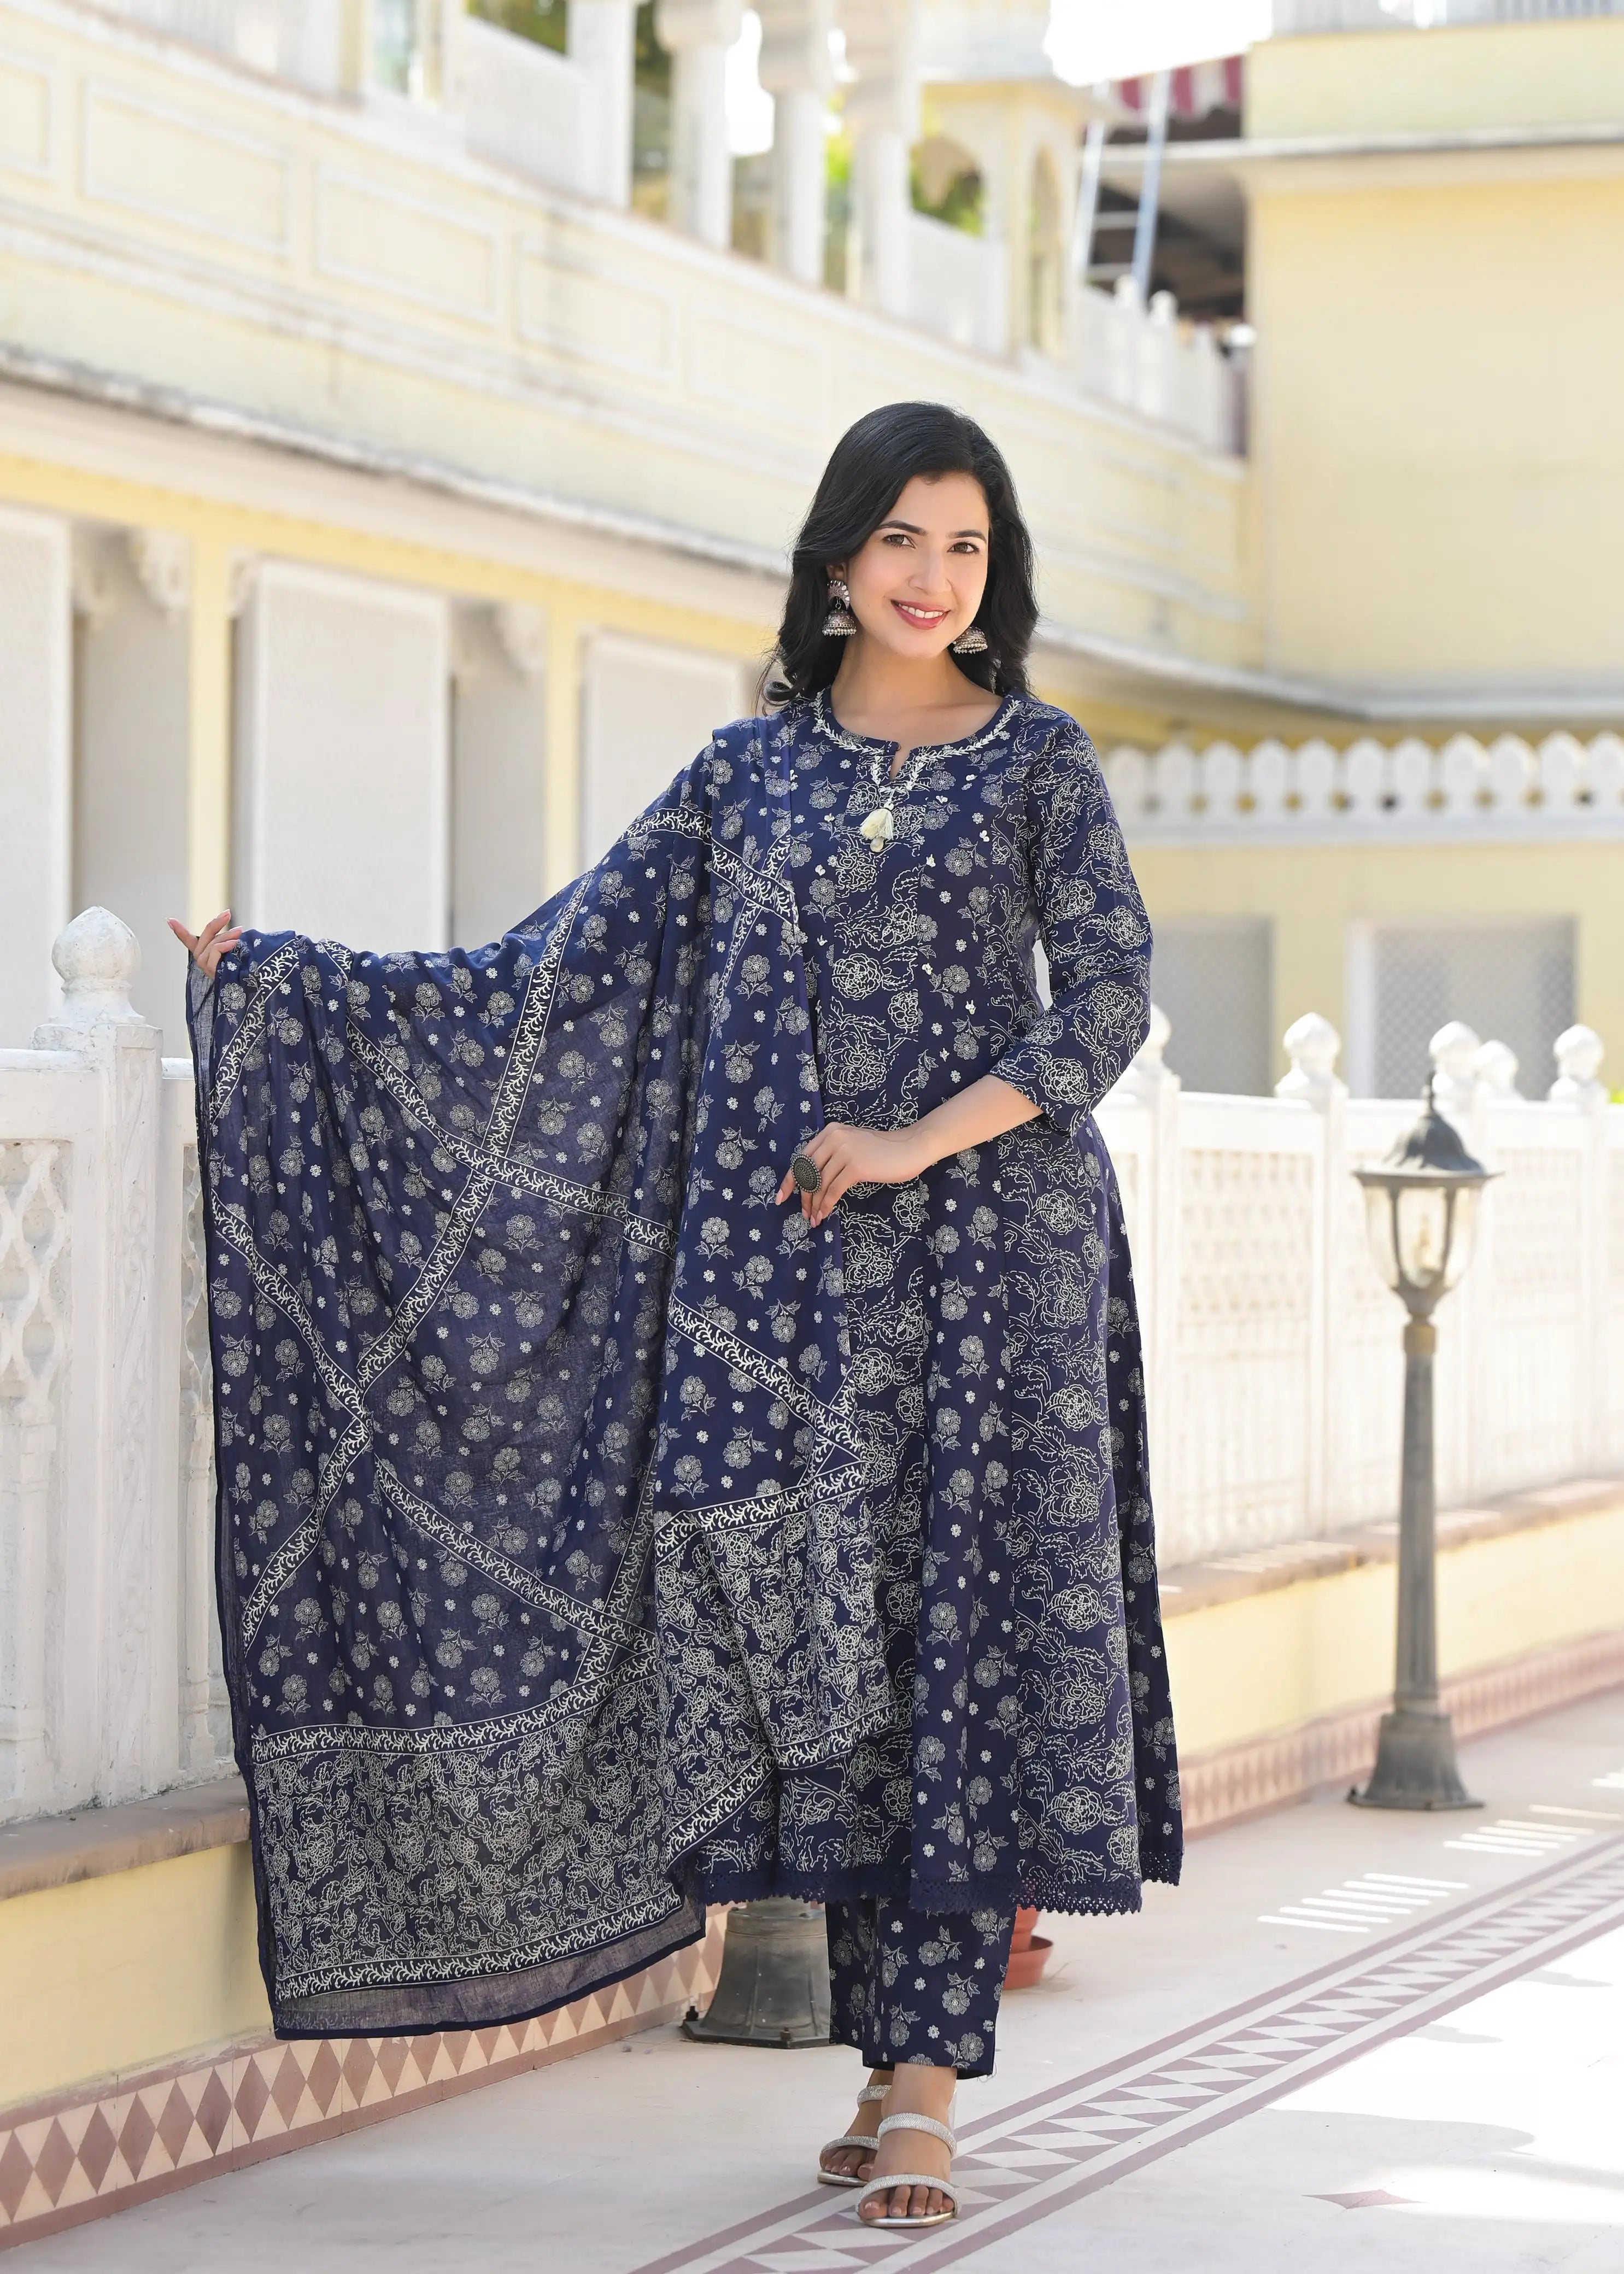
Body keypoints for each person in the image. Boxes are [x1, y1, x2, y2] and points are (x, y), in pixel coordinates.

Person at [172, 400, 1180, 2232]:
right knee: (834, 1665)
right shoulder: (747, 779)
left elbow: (1101, 1009)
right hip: (783, 1293)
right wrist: (294, 985)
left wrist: (903, 1144)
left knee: (959, 1642)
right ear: (831, 561)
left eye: (964, 547)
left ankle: (925, 2076)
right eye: (900, 541)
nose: (931, 579)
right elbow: (553, 972)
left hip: (992, 1274)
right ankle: (881, 2040)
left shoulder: (1037, 764)